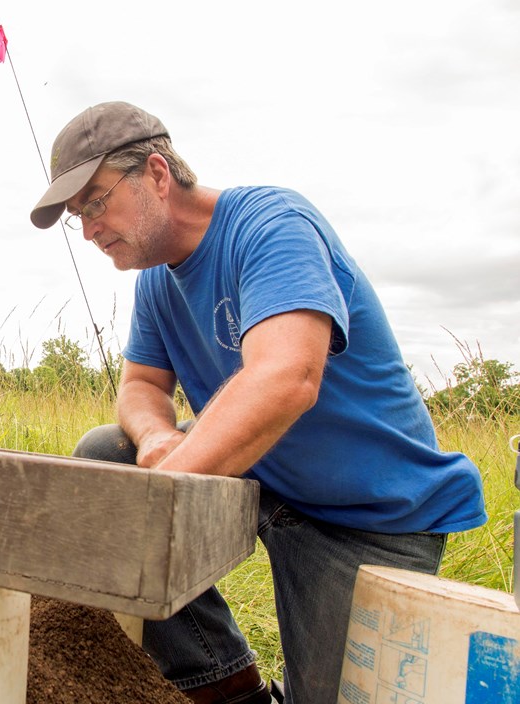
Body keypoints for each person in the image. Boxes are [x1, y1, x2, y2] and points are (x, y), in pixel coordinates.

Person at [30, 101, 487, 704]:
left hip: (368, 515)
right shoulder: (156, 281)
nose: (88, 228)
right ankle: (224, 684)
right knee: (109, 454)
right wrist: (156, 439)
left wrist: (170, 480)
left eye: (94, 201)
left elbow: (288, 376)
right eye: (75, 216)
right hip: (264, 479)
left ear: (158, 174)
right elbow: (140, 386)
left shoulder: (271, 224)